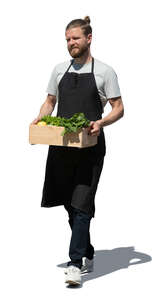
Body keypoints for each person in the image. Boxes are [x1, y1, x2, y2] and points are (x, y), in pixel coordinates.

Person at [31, 16, 124, 286]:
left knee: (82, 204)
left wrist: (101, 122)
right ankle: (88, 250)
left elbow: (119, 108)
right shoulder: (59, 70)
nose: (71, 43)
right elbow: (50, 101)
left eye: (75, 38)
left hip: (90, 147)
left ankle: (74, 263)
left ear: (89, 39)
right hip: (61, 146)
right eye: (68, 39)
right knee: (69, 205)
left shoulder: (105, 71)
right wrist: (40, 118)